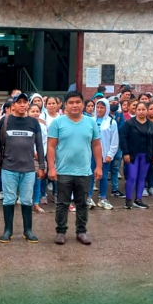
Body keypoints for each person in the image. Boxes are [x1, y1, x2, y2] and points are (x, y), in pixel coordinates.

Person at [48, 92, 102, 245]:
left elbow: (96, 145)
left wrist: (99, 166)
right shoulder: (58, 123)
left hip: (84, 171)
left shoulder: (90, 122)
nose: (74, 105)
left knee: (82, 203)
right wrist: (51, 167)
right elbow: (51, 146)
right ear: (65, 105)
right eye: (71, 102)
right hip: (63, 170)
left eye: (78, 102)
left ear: (83, 104)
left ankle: (81, 231)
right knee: (62, 204)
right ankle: (60, 232)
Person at [0, 92, 46, 244]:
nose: (22, 104)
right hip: (9, 168)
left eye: (25, 102)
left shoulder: (34, 123)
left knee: (27, 200)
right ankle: (8, 230)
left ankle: (27, 230)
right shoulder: (5, 121)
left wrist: (41, 166)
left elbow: (40, 146)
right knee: (9, 199)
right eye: (19, 102)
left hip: (28, 169)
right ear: (13, 105)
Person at [119, 102, 153, 209]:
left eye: (143, 109)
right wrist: (125, 153)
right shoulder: (129, 123)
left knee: (142, 177)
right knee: (132, 177)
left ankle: (138, 199)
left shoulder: (152, 125)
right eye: (139, 110)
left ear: (146, 111)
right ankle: (128, 200)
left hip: (146, 155)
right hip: (132, 155)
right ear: (136, 111)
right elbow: (123, 138)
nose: (141, 112)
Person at [93, 98, 118, 210]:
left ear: (107, 108)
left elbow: (114, 140)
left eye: (102, 107)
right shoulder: (90, 120)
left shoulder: (111, 122)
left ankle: (102, 198)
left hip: (104, 154)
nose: (99, 109)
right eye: (98, 107)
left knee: (103, 176)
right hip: (90, 153)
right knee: (89, 176)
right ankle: (88, 198)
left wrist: (110, 154)